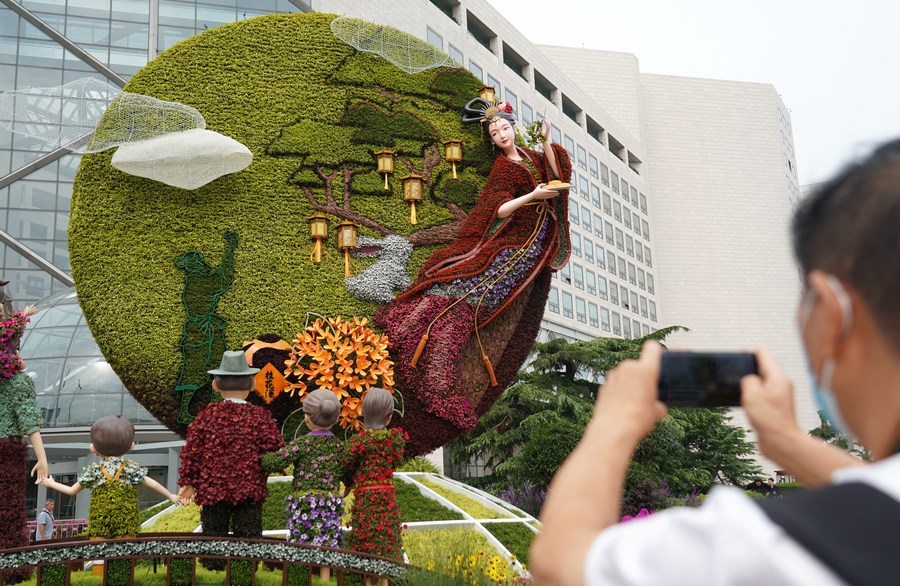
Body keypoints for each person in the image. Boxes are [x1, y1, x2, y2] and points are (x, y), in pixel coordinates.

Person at [529, 138, 900, 586]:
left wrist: (614, 422)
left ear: (829, 310)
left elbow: (560, 565)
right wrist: (786, 443)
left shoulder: (771, 548)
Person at [374, 98, 571, 447]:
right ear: (493, 140)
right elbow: (498, 210)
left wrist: (544, 140)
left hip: (535, 243)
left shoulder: (531, 157)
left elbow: (556, 175)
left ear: (513, 127)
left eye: (505, 129)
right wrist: (531, 196)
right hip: (514, 242)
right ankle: (426, 350)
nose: (501, 135)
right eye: (495, 133)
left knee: (481, 294)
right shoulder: (503, 170)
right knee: (471, 289)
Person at [178, 350, 284, 570]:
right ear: (252, 384)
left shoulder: (205, 417)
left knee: (213, 535)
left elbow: (192, 452)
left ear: (216, 386)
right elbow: (275, 450)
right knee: (248, 536)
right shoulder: (260, 417)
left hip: (212, 491)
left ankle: (213, 571)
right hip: (249, 491)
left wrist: (189, 482)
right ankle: (246, 572)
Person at [42, 415, 180, 538]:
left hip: (100, 522)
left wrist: (51, 484)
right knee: (123, 555)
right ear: (131, 446)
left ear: (93, 448)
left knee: (100, 555)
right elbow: (152, 483)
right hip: (126, 521)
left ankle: (100, 566)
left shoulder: (94, 471)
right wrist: (170, 495)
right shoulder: (130, 470)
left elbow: (71, 490)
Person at [261, 388, 344, 582]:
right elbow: (346, 471)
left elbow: (276, 461)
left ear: (307, 417)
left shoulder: (303, 443)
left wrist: (262, 457)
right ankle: (325, 579)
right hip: (330, 502)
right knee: (328, 540)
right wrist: (347, 483)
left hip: (305, 502)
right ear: (335, 419)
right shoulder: (339, 446)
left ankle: (300, 578)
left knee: (302, 541)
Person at [342, 387, 406, 561]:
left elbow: (347, 464)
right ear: (389, 417)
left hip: (364, 498)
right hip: (386, 497)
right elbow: (397, 461)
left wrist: (349, 483)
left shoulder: (358, 441)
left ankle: (364, 577)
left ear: (365, 413)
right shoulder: (394, 440)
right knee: (387, 539)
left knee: (363, 539)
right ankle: (388, 576)